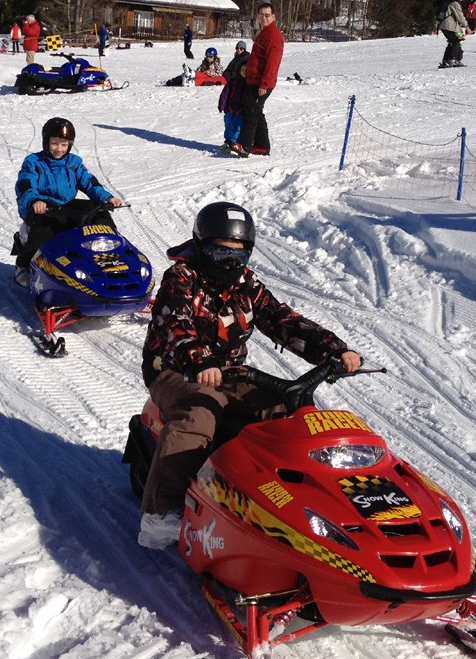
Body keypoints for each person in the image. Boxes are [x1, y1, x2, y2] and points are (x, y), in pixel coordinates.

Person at [138, 201, 362, 548]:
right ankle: (161, 515)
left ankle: (296, 510)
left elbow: (284, 320)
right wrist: (199, 360)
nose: (229, 263)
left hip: (229, 372)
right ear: (201, 246)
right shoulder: (181, 277)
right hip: (174, 368)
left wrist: (333, 349)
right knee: (201, 412)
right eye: (219, 253)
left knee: (287, 411)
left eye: (238, 256)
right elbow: (176, 324)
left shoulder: (246, 284)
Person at [13, 117, 123, 287]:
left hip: (65, 206)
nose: (59, 149)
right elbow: (25, 184)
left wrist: (106, 198)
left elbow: (89, 182)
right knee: (44, 233)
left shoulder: (74, 162)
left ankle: (114, 254)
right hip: (43, 208)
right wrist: (35, 201)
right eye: (54, 143)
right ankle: (23, 265)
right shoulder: (34, 162)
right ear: (46, 142)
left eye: (64, 145)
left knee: (99, 212)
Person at [229, 0, 284, 158]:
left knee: (251, 112)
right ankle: (262, 146)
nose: (264, 18)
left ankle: (244, 146)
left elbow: (273, 63)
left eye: (267, 15)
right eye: (261, 15)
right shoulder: (262, 33)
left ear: (273, 17)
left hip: (262, 82)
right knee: (256, 111)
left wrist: (265, 84)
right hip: (253, 79)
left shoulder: (273, 35)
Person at [218, 55, 248, 150]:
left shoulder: (248, 83)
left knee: (236, 126)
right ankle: (227, 141)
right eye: (242, 69)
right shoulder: (233, 81)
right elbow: (225, 93)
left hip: (240, 110)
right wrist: (221, 105)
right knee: (228, 124)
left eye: (246, 71)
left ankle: (234, 142)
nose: (244, 72)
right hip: (230, 108)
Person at [437, 0, 469, 68]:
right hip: (448, 26)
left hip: (447, 26)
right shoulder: (455, 3)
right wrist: (467, 27)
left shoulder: (453, 2)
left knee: (453, 41)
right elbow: (460, 17)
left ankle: (446, 60)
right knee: (456, 40)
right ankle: (452, 60)